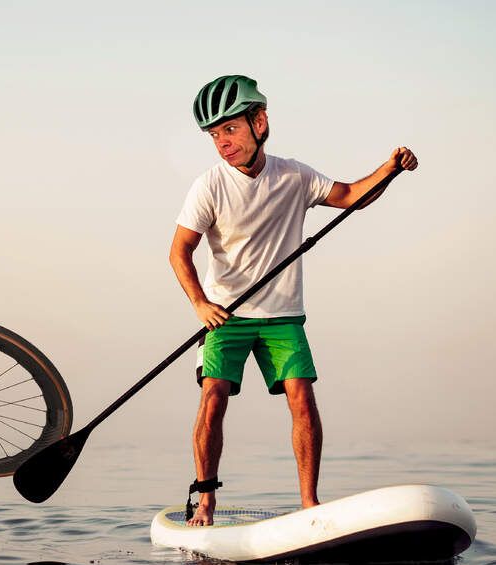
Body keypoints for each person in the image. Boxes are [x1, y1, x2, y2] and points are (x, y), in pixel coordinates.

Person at [170, 75, 418, 526]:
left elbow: (350, 198)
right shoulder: (209, 186)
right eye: (214, 135)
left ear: (259, 122)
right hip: (226, 315)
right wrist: (201, 304)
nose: (222, 143)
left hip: (283, 315)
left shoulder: (294, 175)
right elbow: (179, 252)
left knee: (302, 399)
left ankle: (309, 505)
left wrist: (390, 169)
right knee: (213, 396)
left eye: (230, 129)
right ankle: (205, 502)